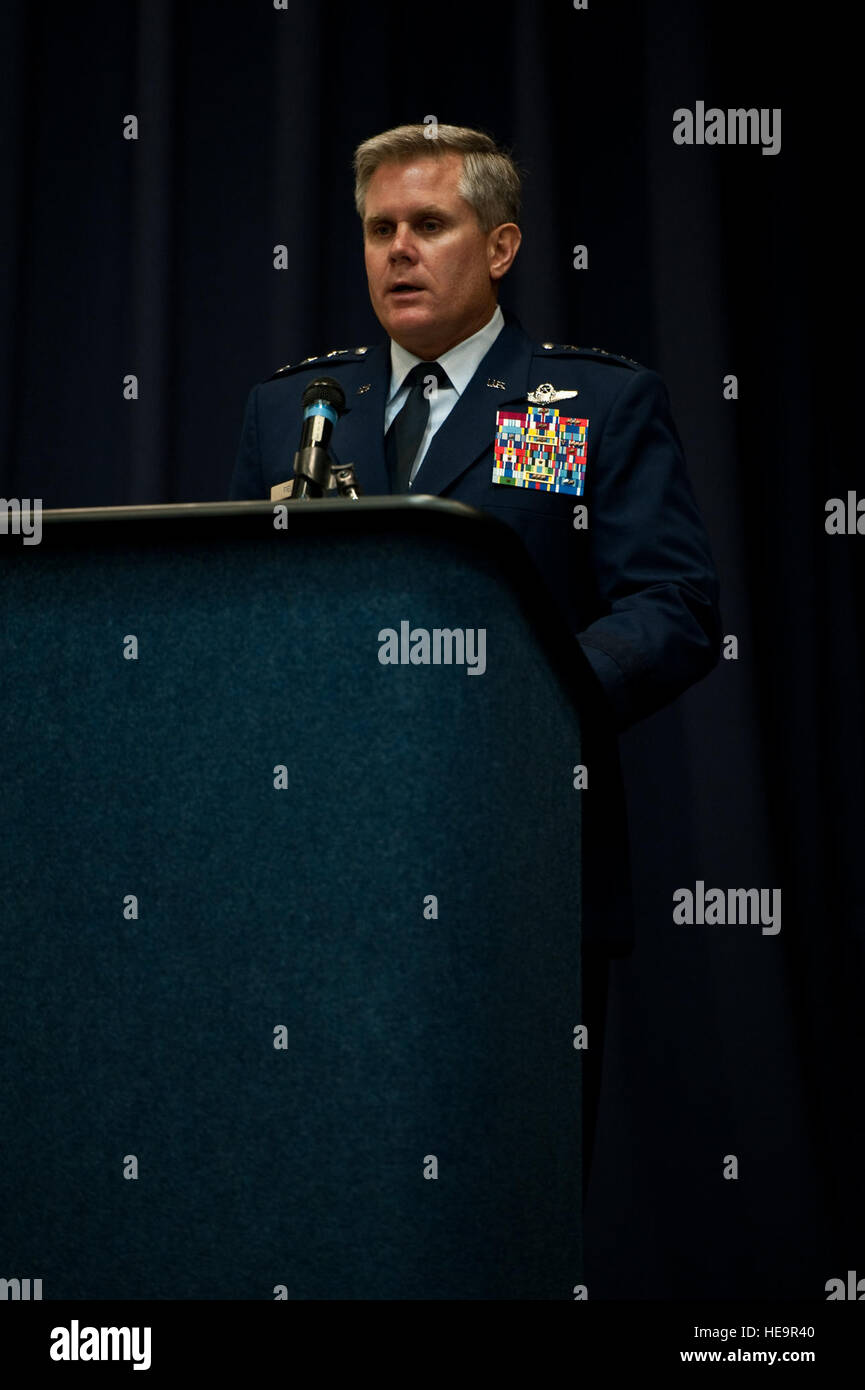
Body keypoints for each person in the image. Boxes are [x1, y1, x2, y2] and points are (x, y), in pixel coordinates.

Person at [229, 123, 722, 1199]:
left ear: (498, 247)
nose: (399, 249)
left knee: (504, 1197)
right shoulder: (297, 410)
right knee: (326, 1196)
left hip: (517, 861)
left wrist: (523, 698)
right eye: (379, 229)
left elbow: (675, 605)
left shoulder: (590, 402)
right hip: (319, 877)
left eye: (430, 225)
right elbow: (242, 617)